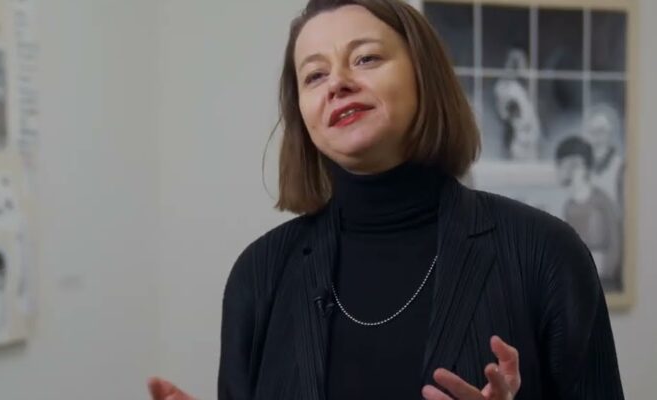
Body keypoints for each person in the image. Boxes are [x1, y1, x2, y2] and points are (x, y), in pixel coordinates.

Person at [148, 1, 623, 399]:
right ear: (303, 115)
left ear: (423, 75)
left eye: (366, 59)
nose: (337, 83)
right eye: (314, 75)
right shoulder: (259, 275)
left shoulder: (544, 252)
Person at [555, 135, 623, 290]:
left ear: (586, 167)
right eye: (563, 165)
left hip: (604, 282)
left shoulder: (603, 201)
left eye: (574, 165)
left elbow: (616, 245)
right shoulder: (568, 207)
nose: (569, 171)